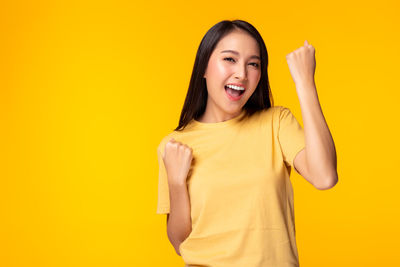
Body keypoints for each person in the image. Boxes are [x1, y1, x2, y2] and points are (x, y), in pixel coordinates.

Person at [156, 19, 338, 267]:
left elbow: (325, 176)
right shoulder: (174, 144)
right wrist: (176, 183)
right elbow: (180, 243)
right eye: (229, 59)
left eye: (253, 64)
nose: (241, 73)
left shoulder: (276, 123)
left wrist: (305, 83)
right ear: (204, 67)